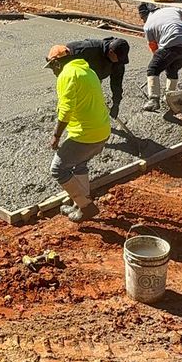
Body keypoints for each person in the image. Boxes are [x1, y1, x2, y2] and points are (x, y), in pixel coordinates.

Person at [45, 45, 111, 223]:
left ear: (57, 63)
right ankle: (79, 203)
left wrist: (57, 136)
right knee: (79, 164)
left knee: (58, 169)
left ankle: (86, 206)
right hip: (102, 131)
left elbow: (66, 109)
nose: (53, 72)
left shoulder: (67, 74)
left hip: (86, 135)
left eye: (52, 67)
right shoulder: (88, 71)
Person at [46, 36, 130, 118]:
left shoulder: (118, 62)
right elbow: (67, 52)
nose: (120, 61)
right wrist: (57, 65)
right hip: (78, 78)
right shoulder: (89, 49)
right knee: (73, 102)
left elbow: (117, 84)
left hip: (95, 79)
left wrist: (116, 103)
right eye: (118, 58)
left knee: (90, 103)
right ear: (111, 52)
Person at [137, 2, 182, 111]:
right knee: (172, 70)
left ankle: (153, 100)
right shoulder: (172, 10)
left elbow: (153, 46)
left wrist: (159, 61)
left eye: (142, 18)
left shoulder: (148, 25)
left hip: (171, 45)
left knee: (153, 69)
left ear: (145, 15)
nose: (143, 21)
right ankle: (169, 98)